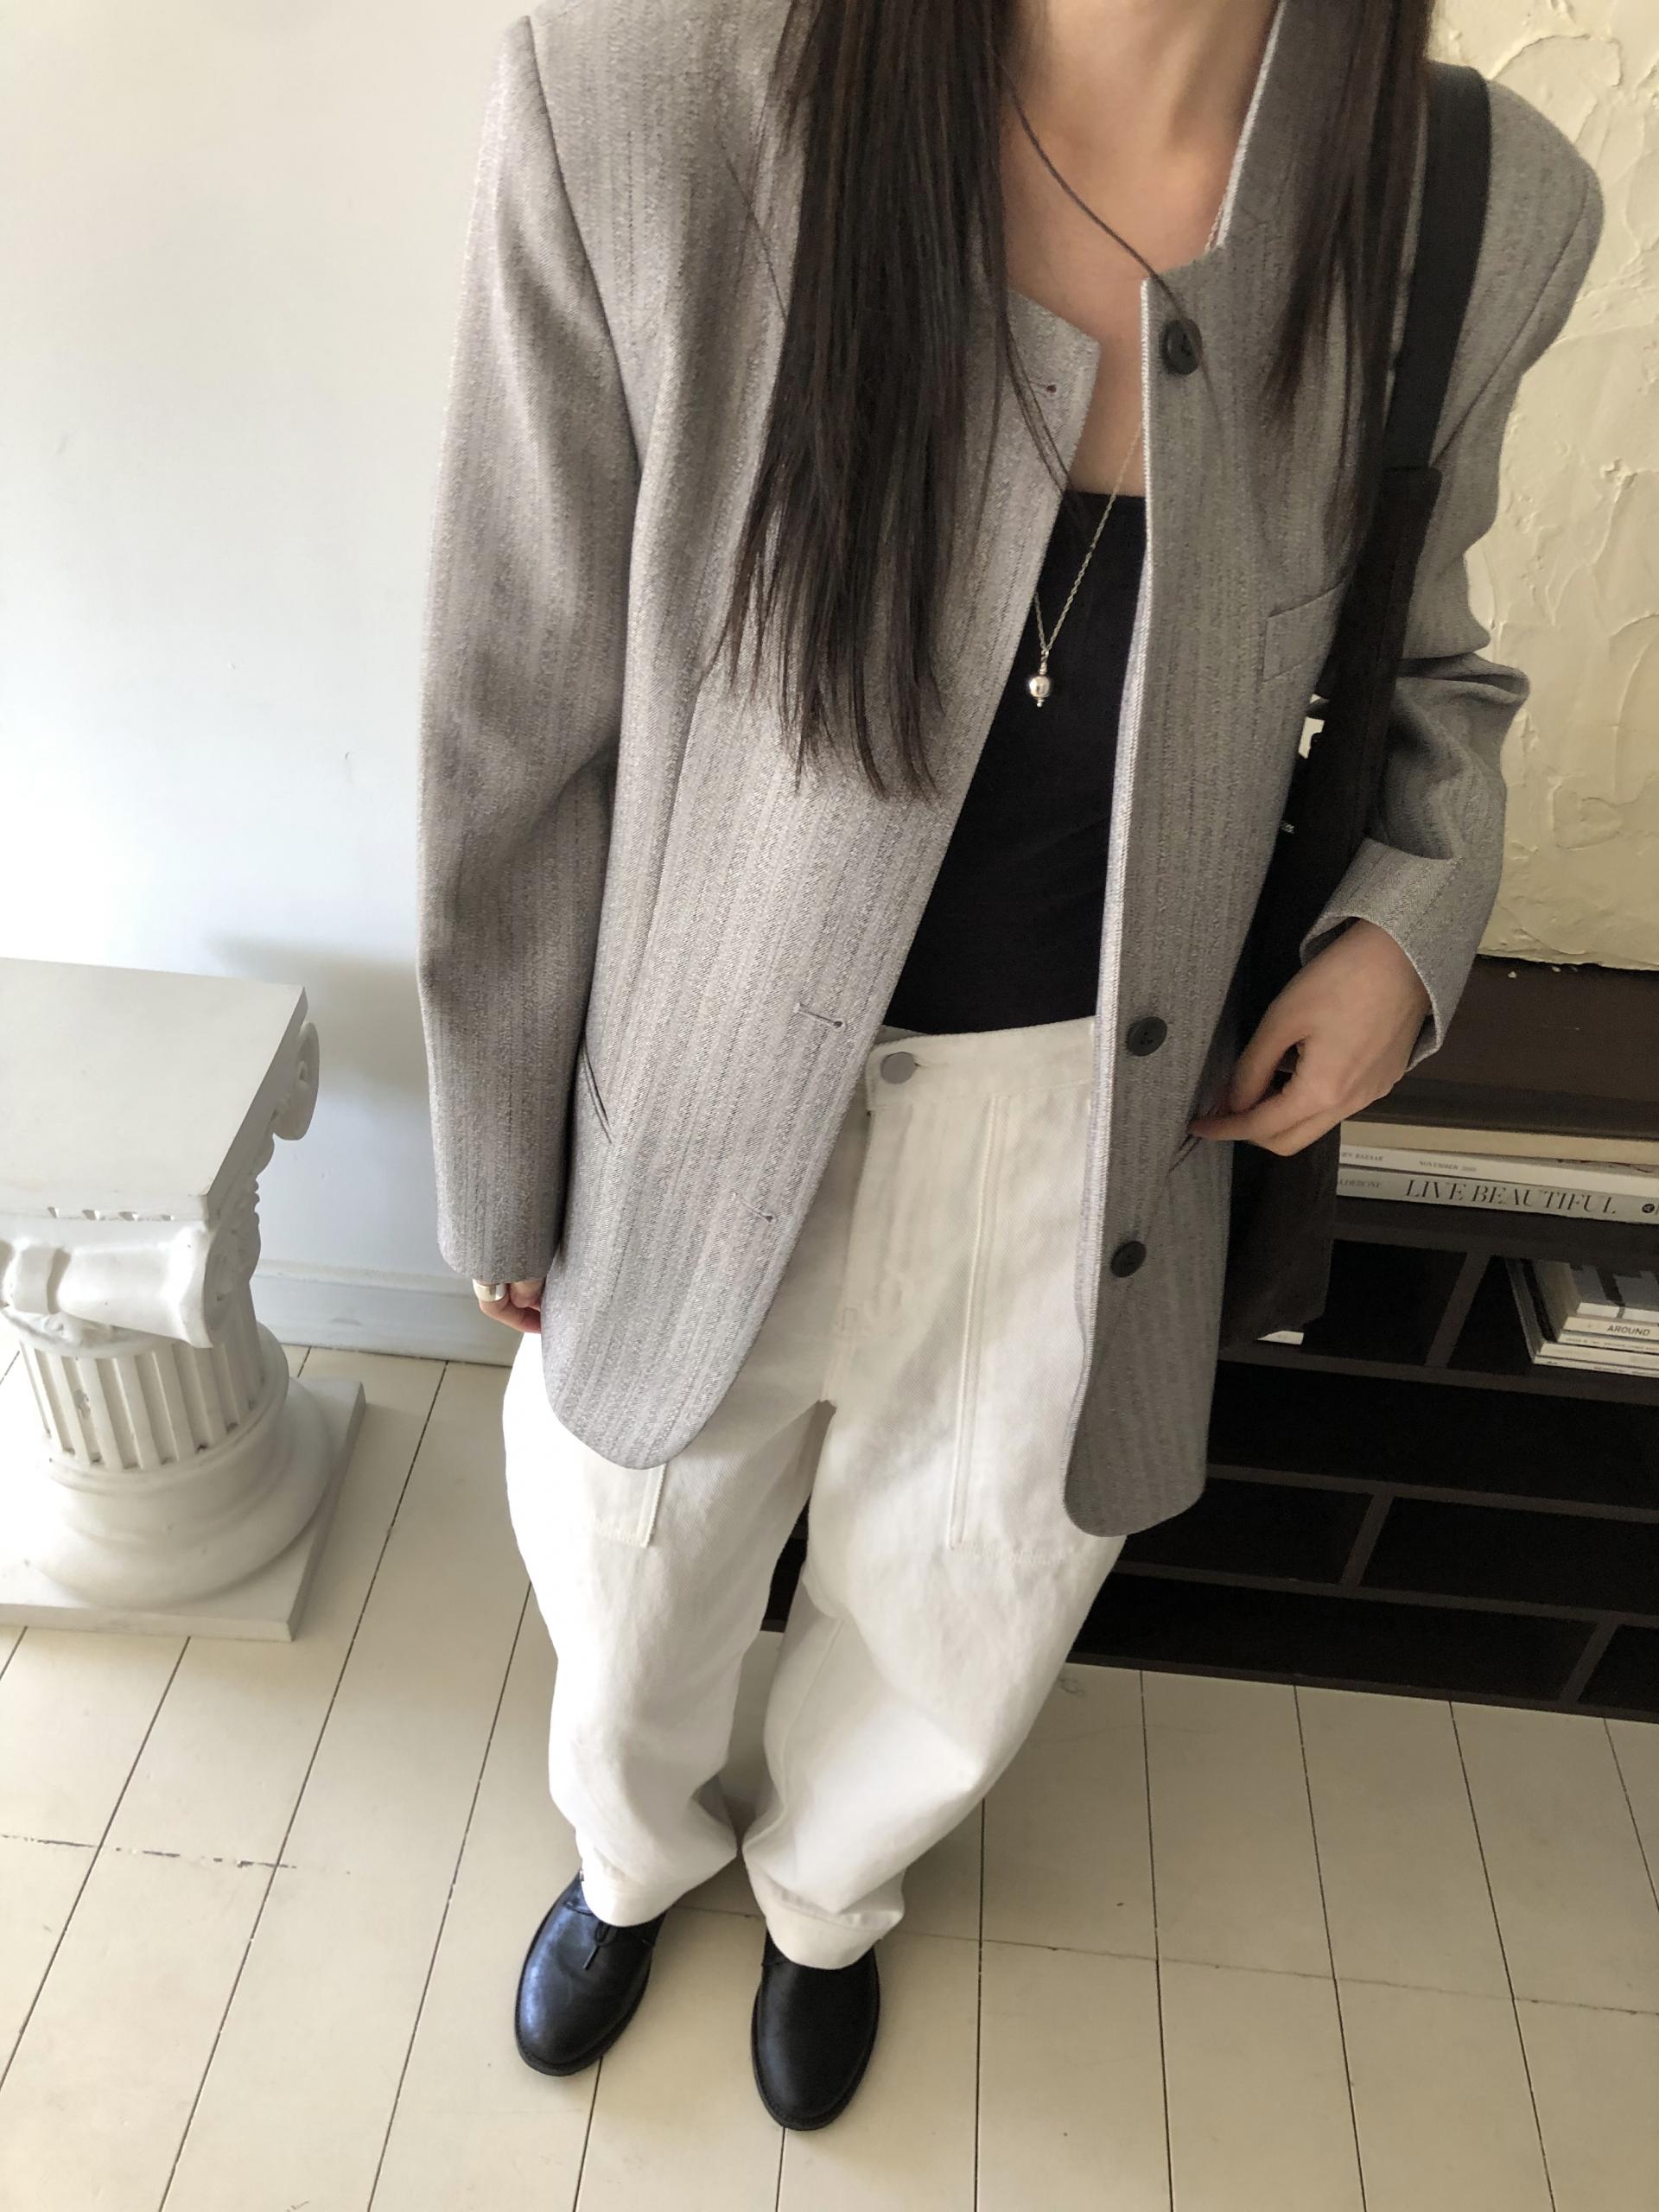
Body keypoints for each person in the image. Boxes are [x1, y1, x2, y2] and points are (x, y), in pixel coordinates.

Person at [415, 0, 1601, 2133]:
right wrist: (501, 1153)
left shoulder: (1474, 207)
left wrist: (1405, 932)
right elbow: (517, 685)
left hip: (1099, 1123)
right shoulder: (645, 98)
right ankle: (630, 1858)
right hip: (698, 1094)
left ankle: (824, 1899)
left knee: (966, 1594)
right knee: (632, 1553)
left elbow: (1431, 659)